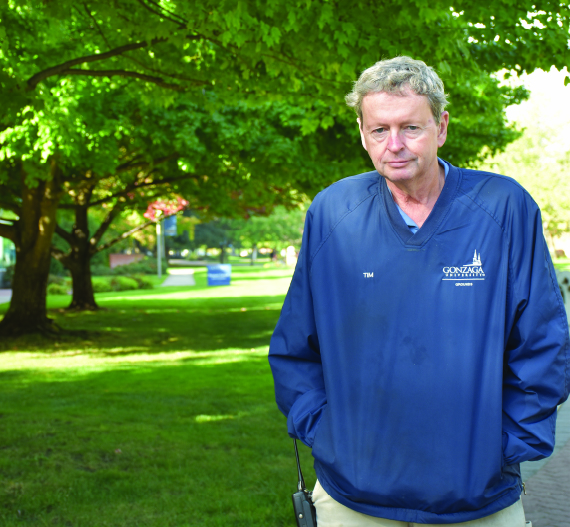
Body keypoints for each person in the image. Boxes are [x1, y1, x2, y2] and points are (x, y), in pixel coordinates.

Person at [268, 56, 569, 526]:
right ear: (362, 133)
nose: (395, 146)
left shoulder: (504, 207)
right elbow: (294, 348)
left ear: (441, 127)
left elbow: (543, 346)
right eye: (379, 130)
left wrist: (505, 446)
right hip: (352, 497)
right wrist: (327, 434)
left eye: (411, 127)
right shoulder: (332, 212)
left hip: (477, 499)